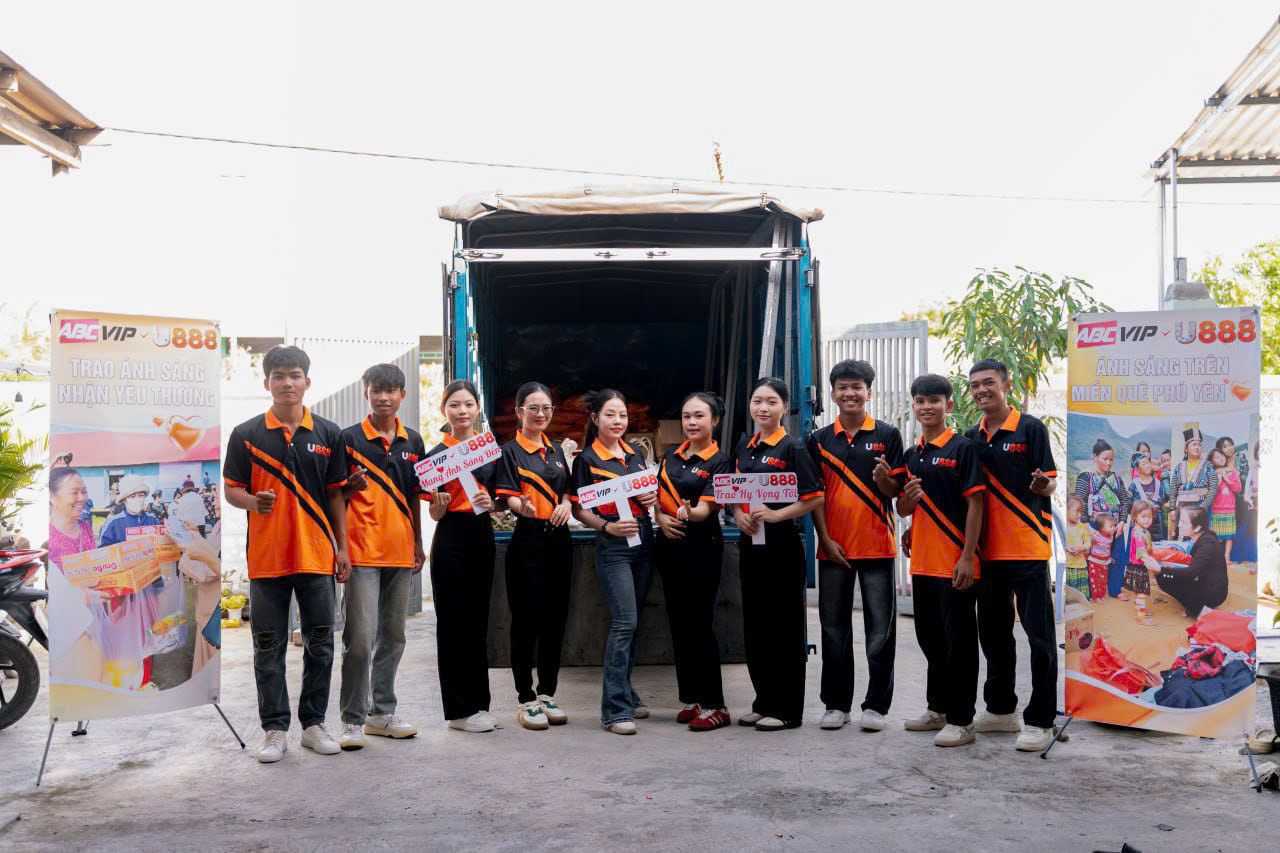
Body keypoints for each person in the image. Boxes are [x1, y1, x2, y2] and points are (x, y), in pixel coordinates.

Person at [224, 345, 352, 764]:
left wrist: (342, 548)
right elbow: (231, 489)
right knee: (267, 647)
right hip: (267, 560)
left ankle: (314, 725)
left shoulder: (329, 434)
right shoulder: (246, 434)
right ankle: (274, 729)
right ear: (267, 383)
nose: (287, 383)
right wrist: (251, 502)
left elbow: (336, 496)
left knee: (321, 645)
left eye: (294, 375)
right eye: (278, 376)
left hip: (316, 557)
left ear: (307, 381)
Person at [964, 359, 1060, 753]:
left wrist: (1042, 485)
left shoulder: (1030, 428)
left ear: (1006, 385)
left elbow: (1050, 483)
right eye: (974, 385)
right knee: (994, 635)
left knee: (1040, 637)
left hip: (1027, 547)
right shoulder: (970, 438)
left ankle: (1041, 721)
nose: (981, 390)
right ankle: (1001, 710)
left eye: (988, 383)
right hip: (987, 552)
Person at [807, 359, 905, 733]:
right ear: (832, 394)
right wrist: (824, 539)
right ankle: (836, 705)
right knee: (833, 629)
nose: (849, 393)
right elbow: (814, 496)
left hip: (878, 545)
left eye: (857, 387)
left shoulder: (888, 435)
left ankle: (876, 706)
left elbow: (896, 494)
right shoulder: (819, 440)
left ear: (869, 392)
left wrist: (884, 481)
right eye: (843, 387)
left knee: (881, 631)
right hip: (833, 548)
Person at [336, 363, 428, 750]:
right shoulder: (348, 439)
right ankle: (352, 719)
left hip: (400, 553)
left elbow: (414, 496)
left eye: (391, 391)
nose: (384, 397)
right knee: (359, 638)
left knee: (393, 636)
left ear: (403, 395)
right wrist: (341, 547)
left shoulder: (414, 441)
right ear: (366, 393)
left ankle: (381, 713)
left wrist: (418, 543)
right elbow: (333, 497)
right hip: (361, 554)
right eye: (377, 390)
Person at [896, 374, 985, 748]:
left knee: (958, 643)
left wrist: (967, 557)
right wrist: (910, 501)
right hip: (922, 563)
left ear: (948, 405)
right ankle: (939, 708)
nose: (926, 406)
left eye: (934, 400)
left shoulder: (963, 448)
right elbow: (903, 507)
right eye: (920, 400)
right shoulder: (912, 454)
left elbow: (976, 504)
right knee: (930, 639)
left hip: (955, 563)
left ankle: (962, 720)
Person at [731, 378, 824, 732]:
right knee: (757, 626)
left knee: (784, 628)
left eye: (771, 401)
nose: (763, 408)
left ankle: (787, 710)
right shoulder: (745, 446)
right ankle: (763, 701)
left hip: (782, 546)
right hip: (750, 545)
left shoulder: (792, 448)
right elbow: (734, 490)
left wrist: (776, 515)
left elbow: (815, 497)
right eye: (757, 401)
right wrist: (738, 515)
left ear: (785, 407)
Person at [570, 389, 659, 735]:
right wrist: (607, 526)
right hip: (614, 546)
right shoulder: (586, 459)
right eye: (610, 414)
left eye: (622, 415)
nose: (617, 421)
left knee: (634, 624)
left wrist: (650, 498)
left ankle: (627, 693)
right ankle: (615, 710)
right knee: (624, 622)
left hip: (643, 540)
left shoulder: (635, 454)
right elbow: (580, 509)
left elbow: (647, 495)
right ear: (595, 419)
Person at [494, 381, 575, 731]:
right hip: (527, 540)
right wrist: (520, 507)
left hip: (559, 540)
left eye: (546, 408)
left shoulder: (555, 451)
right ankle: (526, 697)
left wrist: (566, 504)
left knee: (555, 620)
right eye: (533, 408)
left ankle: (547, 693)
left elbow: (568, 491)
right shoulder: (509, 451)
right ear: (518, 412)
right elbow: (508, 496)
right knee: (526, 621)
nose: (540, 414)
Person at [652, 391, 734, 732]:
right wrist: (661, 517)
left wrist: (689, 513)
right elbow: (656, 500)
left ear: (715, 421)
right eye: (687, 416)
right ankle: (693, 698)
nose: (691, 422)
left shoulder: (721, 461)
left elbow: (706, 509)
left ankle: (716, 705)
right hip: (669, 546)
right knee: (679, 622)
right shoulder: (670, 455)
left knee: (699, 623)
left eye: (699, 416)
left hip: (702, 546)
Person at [426, 379, 500, 734]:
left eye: (468, 404)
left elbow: (502, 497)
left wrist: (492, 502)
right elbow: (432, 511)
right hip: (450, 538)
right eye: (454, 405)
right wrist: (438, 508)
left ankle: (479, 705)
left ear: (477, 409)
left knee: (477, 622)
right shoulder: (435, 456)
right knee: (453, 623)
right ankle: (458, 711)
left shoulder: (489, 449)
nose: (462, 411)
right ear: (444, 411)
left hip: (482, 535)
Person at [1158, 505, 1228, 617]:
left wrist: (1160, 569)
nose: (1179, 525)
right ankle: (1196, 607)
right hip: (1206, 585)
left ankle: (1199, 611)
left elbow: (1191, 573)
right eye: (1180, 520)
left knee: (1163, 576)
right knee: (1165, 574)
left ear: (1197, 528)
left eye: (1184, 522)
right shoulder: (1203, 538)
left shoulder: (1207, 545)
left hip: (1214, 594)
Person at [1168, 425, 1218, 539]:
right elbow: (1173, 489)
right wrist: (1172, 508)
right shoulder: (1179, 467)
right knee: (1183, 536)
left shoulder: (1208, 466)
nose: (1197, 447)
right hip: (1183, 507)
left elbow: (1214, 487)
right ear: (1186, 448)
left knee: (1201, 537)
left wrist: (1203, 506)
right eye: (1194, 444)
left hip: (1201, 506)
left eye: (1199, 445)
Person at [97, 473, 163, 546]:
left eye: (141, 495)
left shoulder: (153, 520)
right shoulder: (112, 524)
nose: (137, 499)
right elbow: (103, 550)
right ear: (124, 500)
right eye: (132, 496)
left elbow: (162, 545)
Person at [1075, 439, 1130, 526]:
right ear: (1095, 457)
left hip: (1115, 526)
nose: (1108, 463)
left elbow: (1124, 501)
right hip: (1094, 526)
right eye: (1105, 459)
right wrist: (1087, 527)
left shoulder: (1116, 478)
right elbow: (1080, 502)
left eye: (1111, 460)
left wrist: (1122, 522)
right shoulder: (1086, 477)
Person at [1121, 500, 1161, 604]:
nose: (1147, 520)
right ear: (1135, 516)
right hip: (1138, 567)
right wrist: (1153, 563)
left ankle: (1139, 605)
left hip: (1136, 566)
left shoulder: (1142, 530)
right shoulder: (1138, 533)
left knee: (1138, 591)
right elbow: (1142, 552)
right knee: (1141, 593)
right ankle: (1141, 613)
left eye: (1149, 517)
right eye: (1143, 516)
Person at [1208, 446, 1242, 564]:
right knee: (1216, 536)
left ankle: (1226, 556)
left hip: (1230, 509)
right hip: (1216, 509)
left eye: (1221, 455)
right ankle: (1217, 557)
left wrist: (1227, 479)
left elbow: (1238, 489)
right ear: (1212, 461)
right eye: (1216, 457)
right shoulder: (1212, 474)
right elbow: (1211, 491)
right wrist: (1218, 479)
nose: (1221, 458)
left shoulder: (1233, 473)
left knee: (1229, 536)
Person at [1128, 452, 1167, 539]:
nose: (1147, 466)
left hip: (1157, 525)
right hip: (1139, 526)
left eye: (1148, 463)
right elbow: (1129, 506)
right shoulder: (1134, 485)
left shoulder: (1158, 484)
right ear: (1137, 469)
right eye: (1144, 464)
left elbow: (1162, 502)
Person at [1063, 496, 1091, 600]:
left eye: (1081, 512)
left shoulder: (1082, 527)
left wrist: (1081, 548)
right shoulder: (1062, 526)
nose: (1079, 515)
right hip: (1067, 567)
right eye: (1077, 511)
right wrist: (1066, 548)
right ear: (1066, 509)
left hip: (1080, 567)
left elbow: (1088, 543)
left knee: (1080, 595)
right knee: (1067, 595)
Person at [1086, 512, 1116, 602]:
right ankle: (1095, 597)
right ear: (1102, 528)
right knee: (1094, 580)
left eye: (1114, 526)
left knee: (1103, 580)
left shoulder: (1111, 536)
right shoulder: (1095, 535)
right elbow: (1088, 543)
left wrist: (1110, 557)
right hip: (1094, 561)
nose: (1114, 528)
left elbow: (1107, 548)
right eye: (1111, 526)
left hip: (1105, 562)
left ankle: (1101, 595)